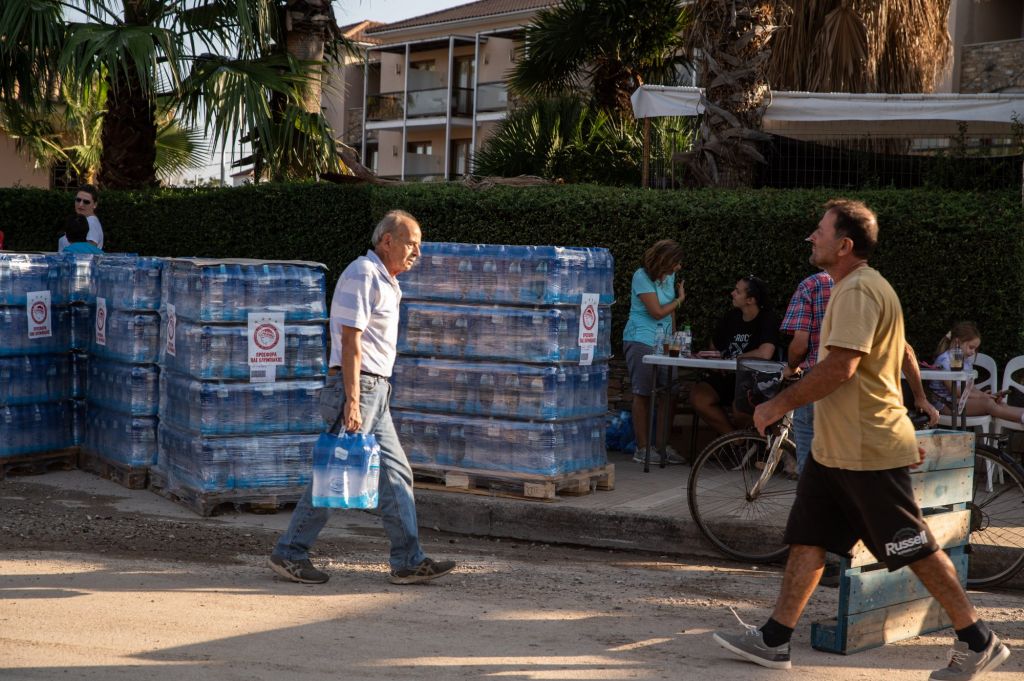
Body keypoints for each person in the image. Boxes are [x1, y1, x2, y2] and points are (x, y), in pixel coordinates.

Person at [713, 199, 1010, 680]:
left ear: (844, 245)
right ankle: (774, 639)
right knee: (808, 539)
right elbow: (896, 354)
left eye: (821, 231)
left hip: (864, 449)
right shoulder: (861, 287)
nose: (812, 237)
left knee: (913, 545)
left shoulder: (854, 292)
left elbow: (840, 367)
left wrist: (777, 404)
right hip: (838, 450)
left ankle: (978, 640)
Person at [269, 210, 456, 585]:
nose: (416, 251)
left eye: (420, 245)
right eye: (410, 243)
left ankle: (407, 560)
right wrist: (352, 400)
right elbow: (350, 340)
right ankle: (290, 553)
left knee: (397, 474)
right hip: (360, 388)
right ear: (387, 240)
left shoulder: (388, 282)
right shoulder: (363, 274)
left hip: (377, 391)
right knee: (334, 474)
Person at [622, 239, 687, 465]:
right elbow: (657, 312)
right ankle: (642, 448)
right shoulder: (641, 276)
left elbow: (669, 316)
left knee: (670, 391)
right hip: (641, 338)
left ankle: (662, 446)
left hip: (665, 342)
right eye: (675, 262)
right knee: (643, 392)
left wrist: (675, 337)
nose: (678, 267)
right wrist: (680, 300)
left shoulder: (669, 277)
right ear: (664, 260)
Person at [690, 276, 779, 436]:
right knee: (699, 396)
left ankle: (752, 448)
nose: (732, 293)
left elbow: (765, 353)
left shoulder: (767, 319)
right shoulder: (732, 317)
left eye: (738, 291)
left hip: (753, 380)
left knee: (740, 408)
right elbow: (715, 345)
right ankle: (736, 441)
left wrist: (735, 360)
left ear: (750, 300)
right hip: (728, 376)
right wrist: (717, 360)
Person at [779, 271, 832, 473]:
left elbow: (799, 344)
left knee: (810, 470)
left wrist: (791, 367)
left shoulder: (811, 285)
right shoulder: (866, 285)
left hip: (816, 381)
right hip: (854, 385)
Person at [928, 321, 1024, 426]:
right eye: (971, 347)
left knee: (999, 404)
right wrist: (981, 397)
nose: (973, 352)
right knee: (988, 404)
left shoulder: (965, 360)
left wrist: (987, 396)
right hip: (945, 405)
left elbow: (970, 387)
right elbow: (956, 390)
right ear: (957, 342)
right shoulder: (944, 361)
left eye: (975, 348)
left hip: (958, 402)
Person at [58, 184, 103, 252]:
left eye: (86, 202)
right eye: (78, 200)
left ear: (95, 205)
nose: (81, 204)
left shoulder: (91, 222)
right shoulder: (82, 221)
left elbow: (88, 253)